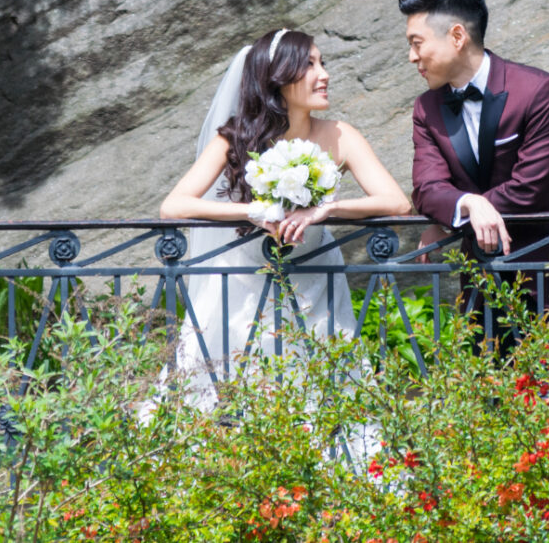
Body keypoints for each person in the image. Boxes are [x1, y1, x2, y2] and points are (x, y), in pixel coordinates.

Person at [158, 29, 412, 407]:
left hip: (316, 278)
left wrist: (327, 209)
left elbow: (397, 202)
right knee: (231, 384)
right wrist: (254, 212)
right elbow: (173, 206)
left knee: (319, 384)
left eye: (322, 63)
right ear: (277, 77)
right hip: (242, 280)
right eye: (309, 64)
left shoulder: (340, 135)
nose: (323, 74)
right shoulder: (233, 138)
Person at [401, 0, 549, 322]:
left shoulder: (539, 91)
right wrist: (468, 203)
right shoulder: (425, 108)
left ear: (457, 36)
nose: (412, 57)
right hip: (482, 291)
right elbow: (426, 188)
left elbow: (530, 188)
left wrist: (454, 223)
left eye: (417, 43)